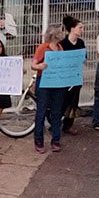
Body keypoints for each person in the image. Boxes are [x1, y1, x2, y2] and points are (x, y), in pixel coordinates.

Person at [32, 24, 66, 153]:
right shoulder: (43, 48)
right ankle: (39, 140)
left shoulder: (60, 48)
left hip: (57, 82)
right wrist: (40, 66)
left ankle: (56, 139)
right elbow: (33, 65)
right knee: (41, 111)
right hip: (44, 82)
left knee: (57, 112)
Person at [59, 16, 87, 135]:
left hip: (76, 75)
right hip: (64, 75)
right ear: (72, 29)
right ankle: (56, 121)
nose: (82, 30)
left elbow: (83, 58)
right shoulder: (63, 43)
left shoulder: (80, 42)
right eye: (80, 28)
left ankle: (68, 124)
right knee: (62, 99)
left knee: (73, 101)